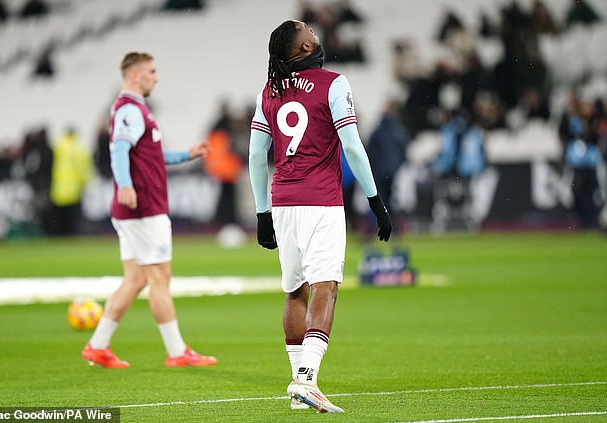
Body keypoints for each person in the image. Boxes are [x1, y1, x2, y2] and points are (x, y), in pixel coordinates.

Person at [248, 20, 391, 413]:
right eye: (306, 29)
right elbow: (352, 147)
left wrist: (262, 212)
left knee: (295, 290)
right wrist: (376, 200)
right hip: (321, 203)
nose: (312, 28)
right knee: (325, 287)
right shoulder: (334, 83)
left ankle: (298, 385)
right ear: (305, 46)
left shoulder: (270, 90)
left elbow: (256, 156)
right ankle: (307, 379)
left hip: (283, 202)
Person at [82, 52, 217, 368]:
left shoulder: (137, 110)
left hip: (137, 208)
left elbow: (150, 157)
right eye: (152, 71)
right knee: (160, 277)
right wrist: (125, 184)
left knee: (136, 279)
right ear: (134, 75)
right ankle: (177, 352)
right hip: (143, 207)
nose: (157, 77)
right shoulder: (130, 109)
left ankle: (97, 345)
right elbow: (119, 150)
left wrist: (187, 154)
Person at [49, 127, 92, 236]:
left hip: (58, 188)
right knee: (73, 218)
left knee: (60, 218)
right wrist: (85, 182)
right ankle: (73, 235)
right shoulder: (79, 148)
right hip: (74, 189)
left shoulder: (58, 146)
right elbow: (83, 167)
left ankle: (59, 236)